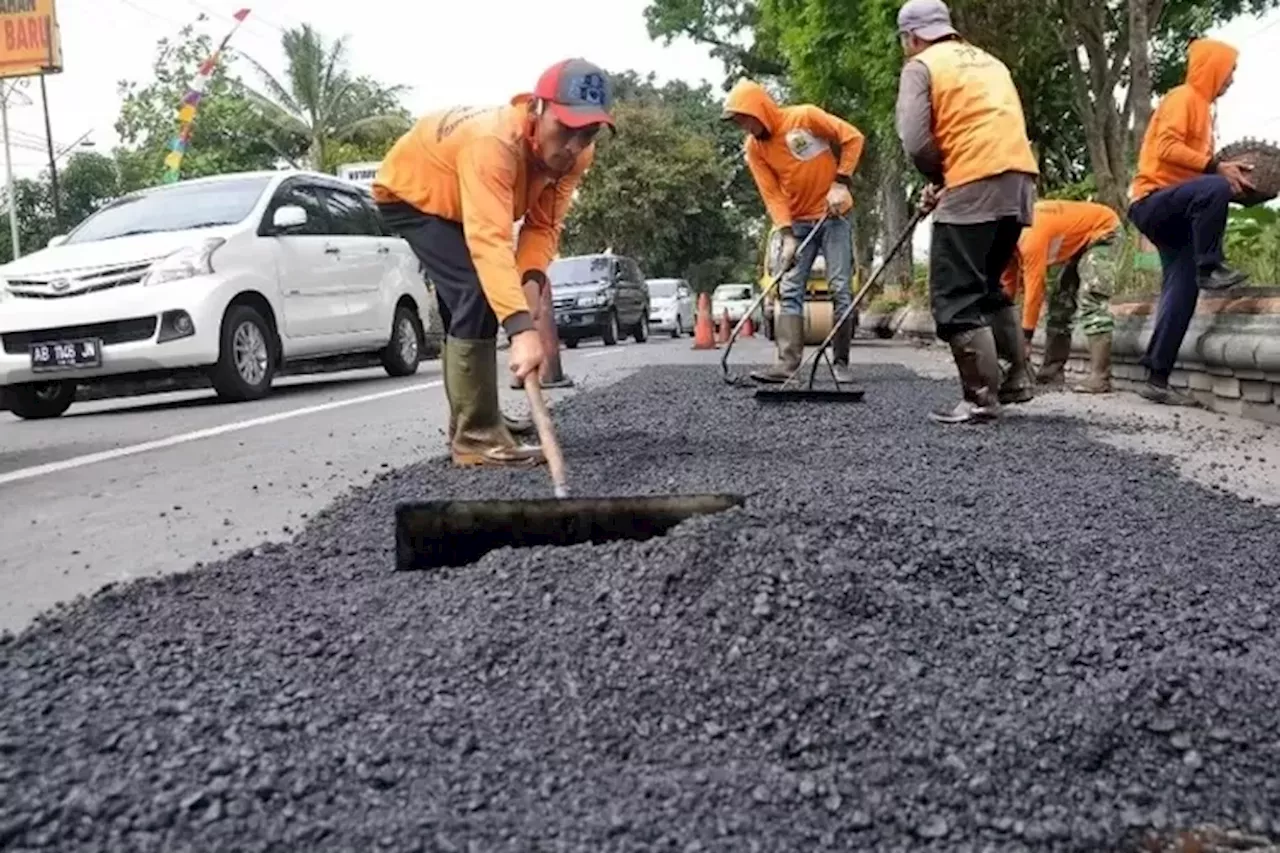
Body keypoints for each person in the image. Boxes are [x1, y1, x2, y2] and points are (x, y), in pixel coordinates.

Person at [372, 59, 612, 467]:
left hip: (464, 202)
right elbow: (490, 240)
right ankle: (476, 438)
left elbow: (543, 226)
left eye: (587, 132)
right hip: (412, 194)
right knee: (475, 290)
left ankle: (478, 417)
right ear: (537, 108)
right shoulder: (495, 143)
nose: (574, 145)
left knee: (467, 301)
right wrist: (521, 331)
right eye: (566, 128)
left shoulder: (576, 156)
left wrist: (530, 290)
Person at [894, 0, 1040, 424]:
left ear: (912, 37)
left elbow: (916, 141)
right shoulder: (989, 62)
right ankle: (1018, 379)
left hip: (975, 182)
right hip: (1019, 183)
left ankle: (980, 398)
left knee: (955, 294)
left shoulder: (922, 65)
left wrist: (939, 175)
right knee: (988, 284)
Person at [1127, 37, 1253, 407]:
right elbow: (1166, 149)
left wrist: (1235, 184)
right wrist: (1216, 171)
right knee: (1214, 186)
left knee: (1182, 292)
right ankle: (1210, 266)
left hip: (1177, 210)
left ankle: (1156, 376)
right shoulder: (1184, 97)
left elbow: (1195, 176)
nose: (1231, 80)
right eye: (1230, 71)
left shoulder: (1205, 110)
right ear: (1213, 68)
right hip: (1151, 202)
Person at [721, 79, 867, 385]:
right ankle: (788, 365)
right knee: (789, 290)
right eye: (738, 123)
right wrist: (787, 235)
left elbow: (853, 137)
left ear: (759, 109)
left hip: (834, 216)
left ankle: (840, 361)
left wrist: (841, 181)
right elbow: (772, 194)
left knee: (840, 287)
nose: (744, 127)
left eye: (744, 118)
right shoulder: (755, 148)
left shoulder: (805, 117)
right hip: (798, 223)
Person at [1000, 199, 1123, 394]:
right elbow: (1006, 291)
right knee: (1060, 301)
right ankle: (1052, 371)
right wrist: (1005, 333)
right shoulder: (1004, 246)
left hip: (1103, 230)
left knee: (1091, 296)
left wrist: (1025, 338)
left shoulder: (1029, 235)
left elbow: (1035, 288)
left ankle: (1100, 377)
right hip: (1079, 241)